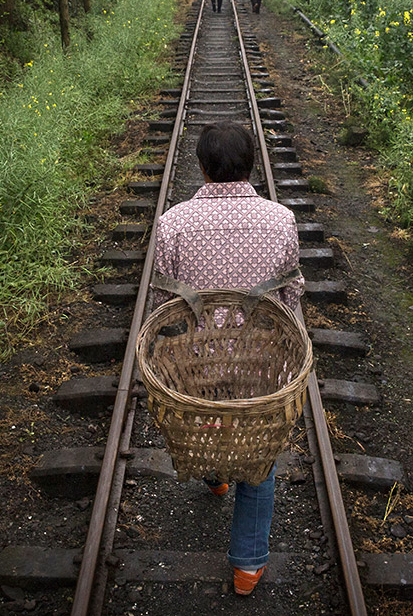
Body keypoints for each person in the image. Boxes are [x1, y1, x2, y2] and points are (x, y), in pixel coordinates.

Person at [150, 121, 304, 596]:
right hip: (259, 366)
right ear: (252, 165)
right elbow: (292, 292)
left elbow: (164, 300)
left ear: (201, 167)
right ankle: (247, 566)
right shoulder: (281, 220)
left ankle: (215, 474)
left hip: (197, 368)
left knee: (209, 415)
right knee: (259, 456)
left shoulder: (173, 222)